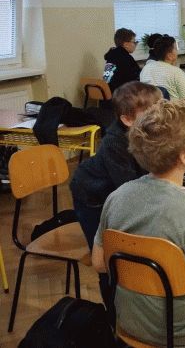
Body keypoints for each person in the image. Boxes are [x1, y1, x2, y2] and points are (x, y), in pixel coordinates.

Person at [92, 100, 185, 347]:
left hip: (130, 323)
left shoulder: (116, 197)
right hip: (183, 335)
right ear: (184, 155)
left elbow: (98, 262)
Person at [70, 81, 162, 308]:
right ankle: (113, 312)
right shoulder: (115, 142)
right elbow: (128, 187)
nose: (158, 118)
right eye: (150, 114)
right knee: (106, 257)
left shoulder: (144, 131)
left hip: (114, 194)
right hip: (92, 199)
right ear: (128, 120)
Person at [140, 35, 185, 101]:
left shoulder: (145, 69)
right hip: (172, 107)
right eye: (176, 49)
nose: (177, 52)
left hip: (151, 107)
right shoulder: (176, 72)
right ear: (169, 55)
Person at [103, 28, 141, 93]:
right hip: (122, 94)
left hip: (110, 92)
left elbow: (106, 78)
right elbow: (137, 77)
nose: (135, 44)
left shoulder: (111, 56)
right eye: (134, 42)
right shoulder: (125, 58)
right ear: (126, 44)